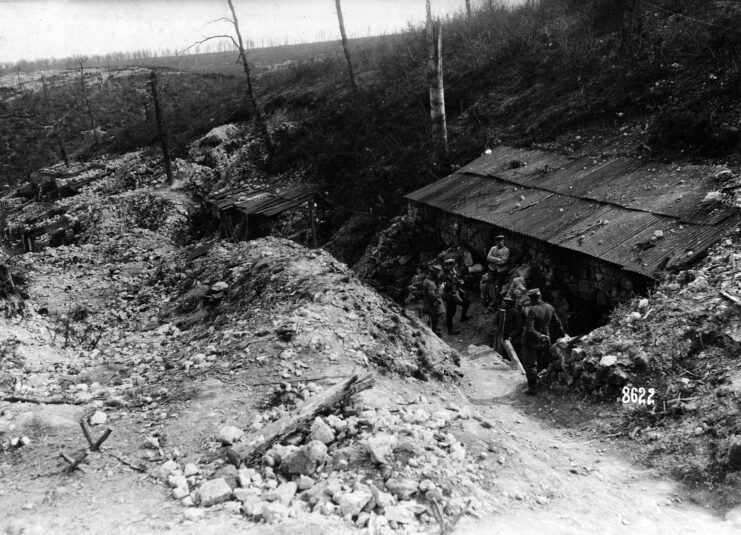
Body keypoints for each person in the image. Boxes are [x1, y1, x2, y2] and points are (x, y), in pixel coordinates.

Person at [521, 288, 566, 395]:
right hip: (546, 340)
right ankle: (541, 383)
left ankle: (532, 389)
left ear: (531, 299)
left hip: (531, 342)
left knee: (531, 365)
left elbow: (529, 329)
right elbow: (557, 324)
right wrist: (563, 336)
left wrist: (539, 336)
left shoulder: (533, 310)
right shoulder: (549, 307)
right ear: (540, 297)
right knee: (543, 362)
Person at [440, 258, 471, 336]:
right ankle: (450, 331)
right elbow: (444, 286)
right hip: (450, 295)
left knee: (466, 302)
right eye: (450, 265)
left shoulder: (450, 271)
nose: (452, 267)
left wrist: (458, 281)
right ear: (446, 266)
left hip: (455, 291)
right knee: (450, 312)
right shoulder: (443, 274)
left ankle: (463, 317)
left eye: (452, 265)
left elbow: (454, 279)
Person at [486, 235, 510, 310]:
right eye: (498, 242)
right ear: (496, 242)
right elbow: (488, 258)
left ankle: (498, 300)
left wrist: (494, 261)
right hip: (492, 268)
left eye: (501, 241)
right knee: (490, 281)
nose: (500, 243)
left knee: (498, 285)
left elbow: (503, 261)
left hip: (501, 270)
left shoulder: (506, 250)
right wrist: (497, 259)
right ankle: (493, 299)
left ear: (503, 241)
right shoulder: (493, 248)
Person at [421, 265, 445, 337]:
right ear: (433, 273)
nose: (438, 274)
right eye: (437, 273)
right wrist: (441, 288)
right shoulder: (429, 283)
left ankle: (438, 337)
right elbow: (433, 296)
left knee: (437, 321)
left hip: (435, 305)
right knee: (437, 324)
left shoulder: (431, 280)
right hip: (433, 306)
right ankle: (438, 338)